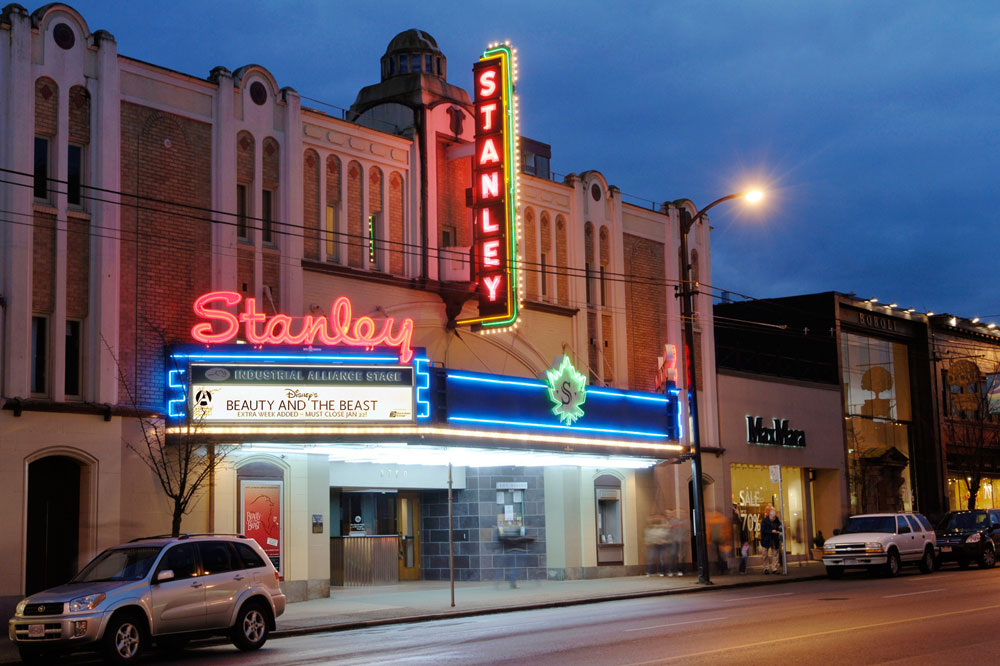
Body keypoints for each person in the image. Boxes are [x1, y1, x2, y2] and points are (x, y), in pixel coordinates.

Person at [761, 507, 783, 575]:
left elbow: (780, 527)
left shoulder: (776, 520)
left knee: (775, 554)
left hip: (774, 539)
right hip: (766, 539)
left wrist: (779, 530)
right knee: (765, 555)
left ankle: (774, 568)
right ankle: (766, 568)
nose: (774, 518)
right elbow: (763, 531)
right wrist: (771, 531)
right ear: (770, 515)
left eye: (774, 517)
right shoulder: (765, 521)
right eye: (773, 517)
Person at [665, 509, 687, 576]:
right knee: (673, 555)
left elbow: (685, 531)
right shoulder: (673, 521)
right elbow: (669, 532)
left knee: (680, 556)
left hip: (680, 541)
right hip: (674, 541)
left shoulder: (682, 522)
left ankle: (680, 570)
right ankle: (672, 570)